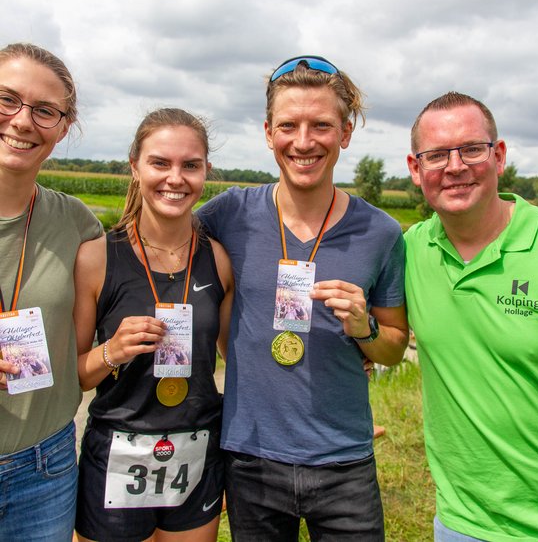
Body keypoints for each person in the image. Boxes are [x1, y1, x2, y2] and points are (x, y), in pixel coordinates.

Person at [198, 55, 408, 541]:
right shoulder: (228, 214)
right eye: (289, 125)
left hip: (344, 461)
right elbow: (154, 244)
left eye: (322, 125)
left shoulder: (381, 233)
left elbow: (395, 345)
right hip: (251, 455)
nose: (304, 141)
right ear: (269, 132)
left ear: (346, 133)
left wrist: (366, 331)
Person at [73, 108, 233, 542]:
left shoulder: (218, 259)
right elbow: (76, 377)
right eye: (160, 163)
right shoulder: (96, 258)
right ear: (135, 166)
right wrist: (112, 351)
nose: (175, 178)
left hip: (196, 451)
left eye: (190, 165)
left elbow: (237, 357)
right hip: (116, 456)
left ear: (206, 173)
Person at [405, 92, 538, 541]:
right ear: (416, 170)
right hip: (461, 524)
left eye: (471, 149)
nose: (455, 166)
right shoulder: (409, 250)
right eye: (436, 155)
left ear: (499, 156)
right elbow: (375, 334)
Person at [0, 43, 103, 540]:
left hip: (44, 468)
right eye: (6, 99)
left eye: (45, 111)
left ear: (64, 128)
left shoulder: (77, 224)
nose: (22, 121)